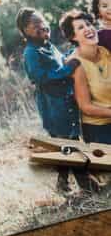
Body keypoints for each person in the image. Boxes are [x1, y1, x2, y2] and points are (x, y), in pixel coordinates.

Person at [18, 8, 79, 139]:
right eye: (36, 24)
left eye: (43, 21)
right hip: (54, 109)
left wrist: (77, 50)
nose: (43, 26)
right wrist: (68, 69)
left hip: (68, 104)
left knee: (77, 144)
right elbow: (41, 77)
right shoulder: (31, 52)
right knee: (67, 147)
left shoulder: (48, 46)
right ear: (25, 30)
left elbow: (62, 62)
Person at [62, 10, 111, 154]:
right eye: (80, 27)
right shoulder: (75, 64)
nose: (88, 29)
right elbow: (86, 107)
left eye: (88, 24)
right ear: (73, 36)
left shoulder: (104, 52)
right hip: (99, 128)